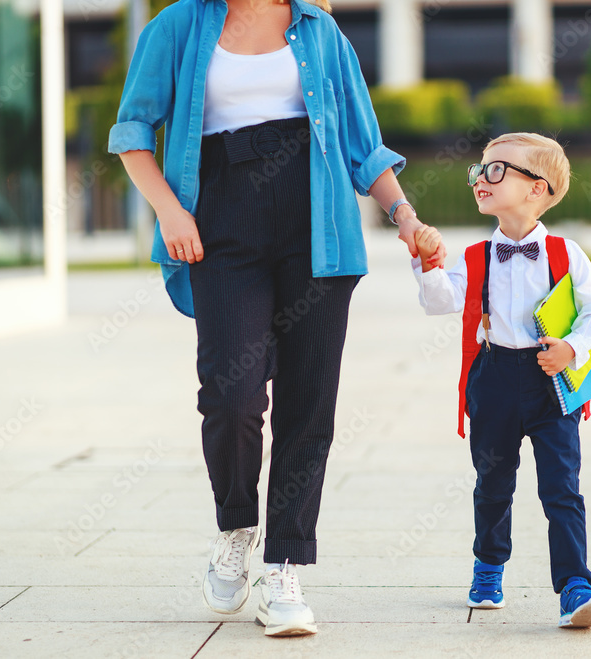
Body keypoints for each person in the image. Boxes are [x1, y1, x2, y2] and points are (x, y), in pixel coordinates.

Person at [108, 0, 443, 638]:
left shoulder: (320, 30)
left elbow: (360, 143)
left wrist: (406, 219)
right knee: (230, 395)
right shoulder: (178, 26)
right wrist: (170, 212)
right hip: (220, 226)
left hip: (317, 229)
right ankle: (236, 524)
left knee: (308, 405)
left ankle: (284, 564)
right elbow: (132, 132)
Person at [410, 133, 591, 628]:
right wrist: (428, 262)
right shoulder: (477, 255)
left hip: (552, 382)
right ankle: (488, 567)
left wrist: (572, 349)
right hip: (495, 376)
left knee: (562, 488)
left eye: (497, 170)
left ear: (537, 189)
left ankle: (575, 587)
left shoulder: (566, 253)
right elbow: (441, 302)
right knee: (493, 482)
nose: (482, 179)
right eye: (479, 170)